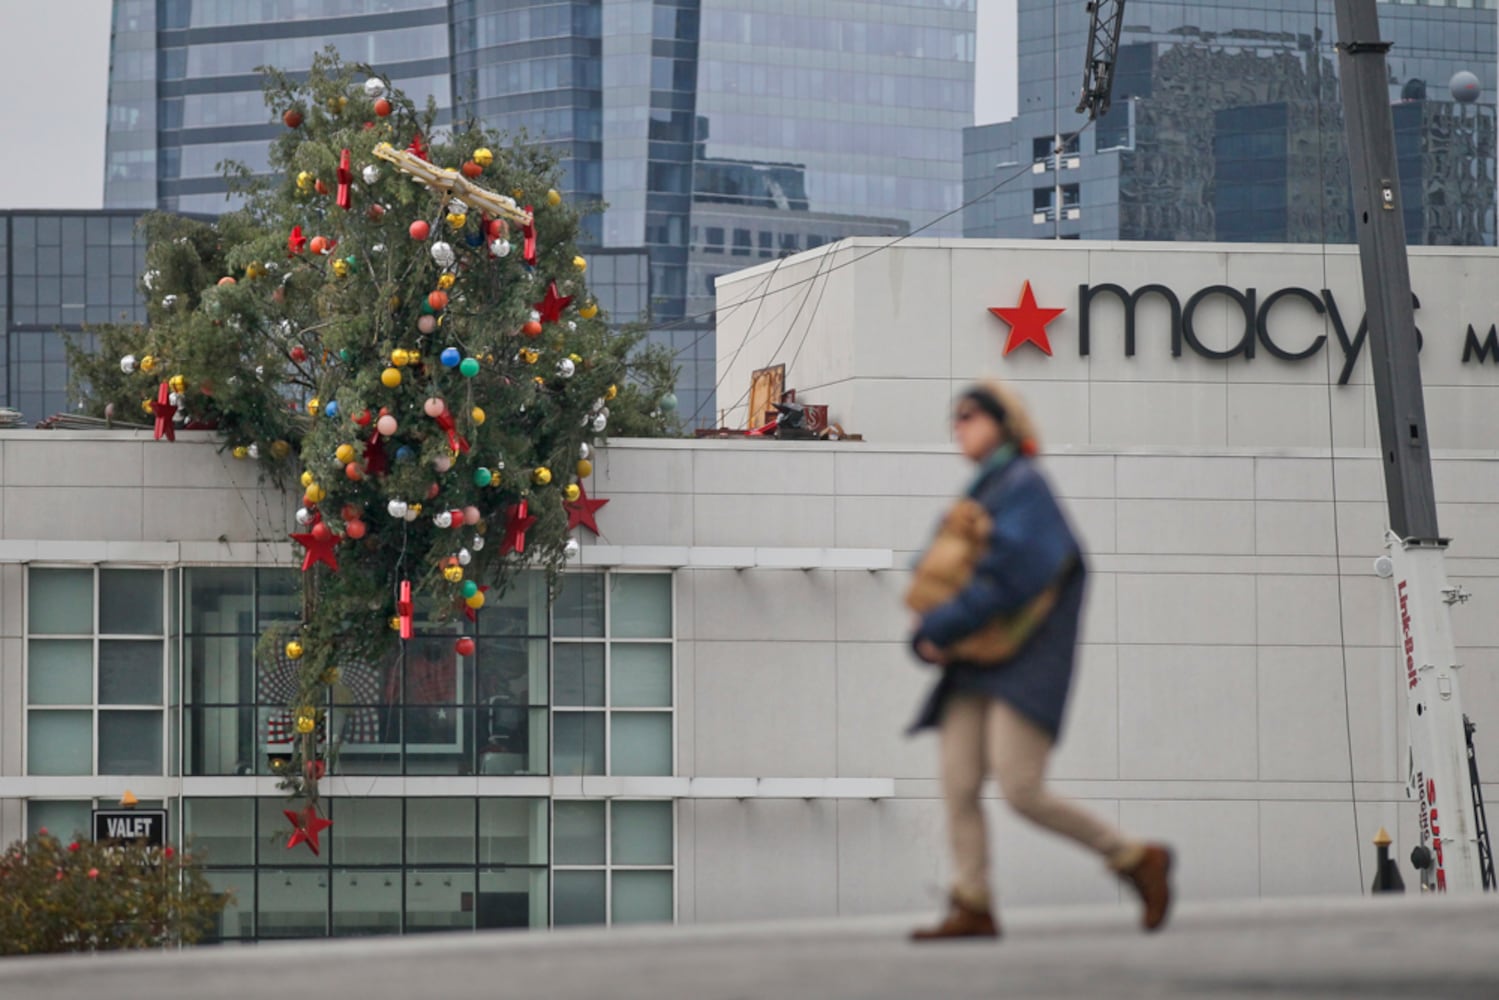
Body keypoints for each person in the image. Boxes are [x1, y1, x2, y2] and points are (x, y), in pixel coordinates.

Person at [906, 380, 1172, 941]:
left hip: (1024, 662)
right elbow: (943, 571)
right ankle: (972, 902)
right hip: (978, 661)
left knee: (1021, 787)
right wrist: (931, 626)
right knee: (957, 784)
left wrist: (939, 626)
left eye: (971, 415)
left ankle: (1133, 858)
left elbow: (1010, 578)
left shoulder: (1025, 487)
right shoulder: (985, 490)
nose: (959, 425)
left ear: (1004, 423)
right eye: (955, 417)